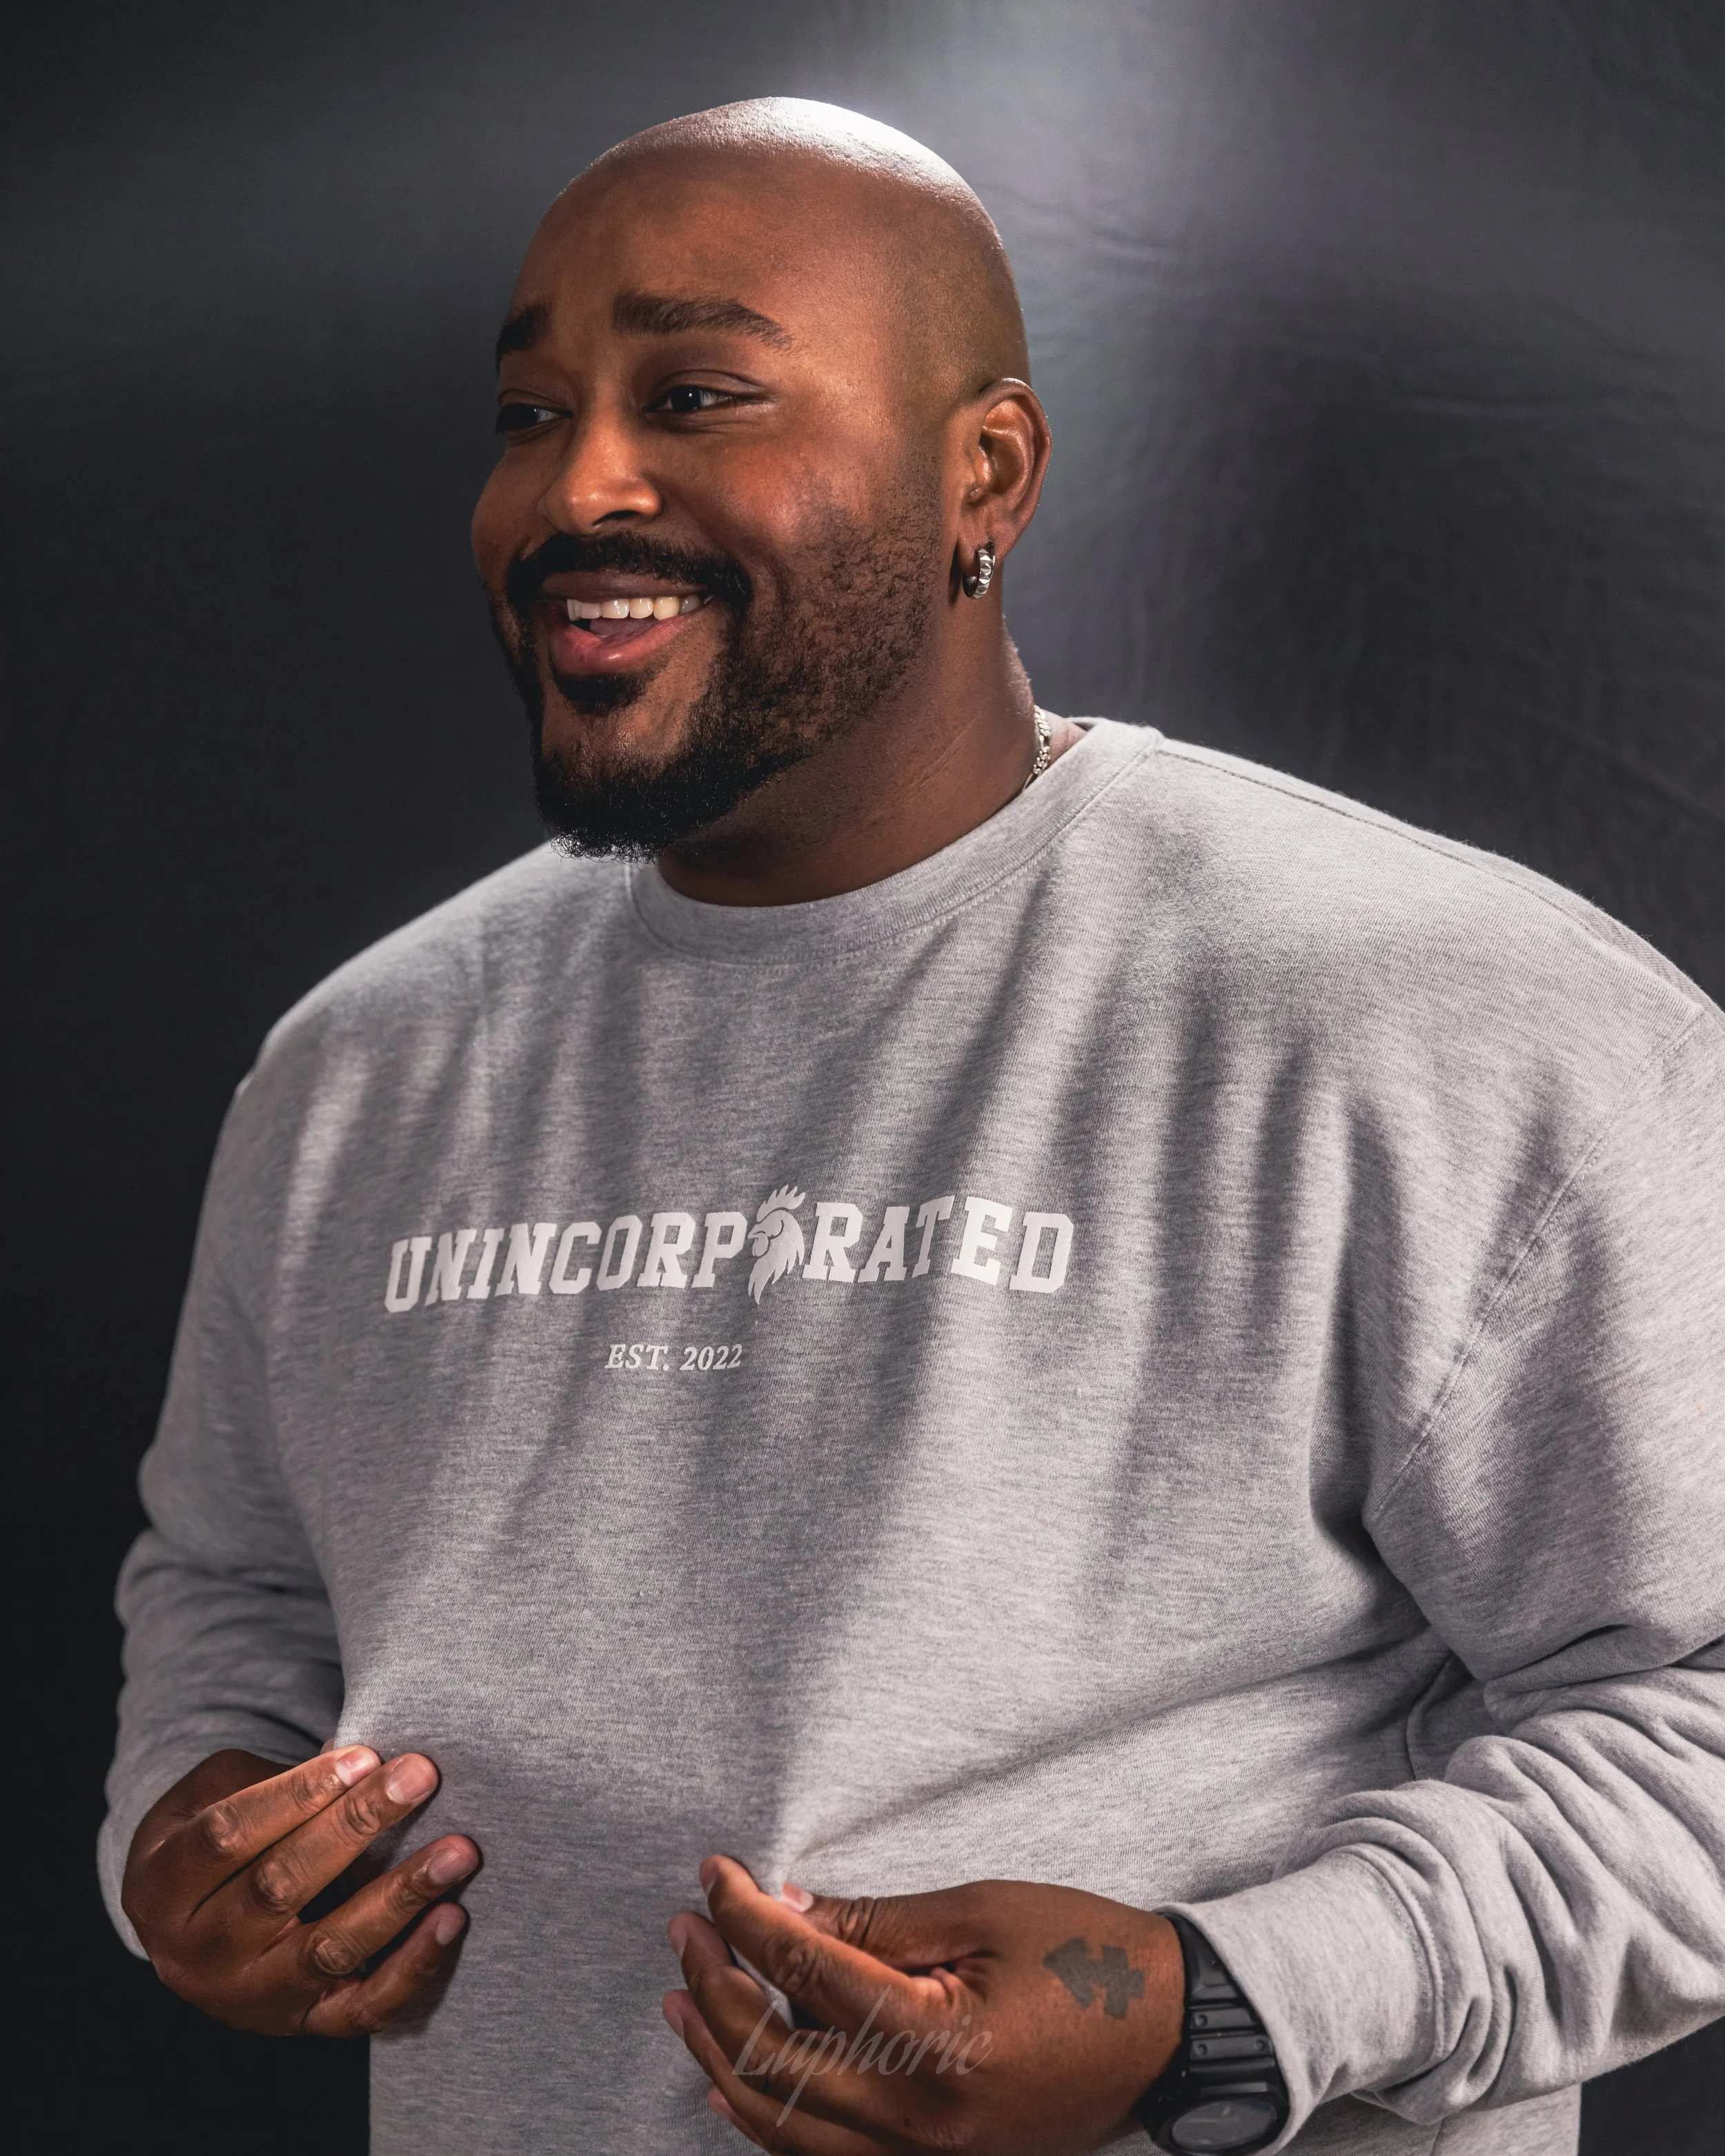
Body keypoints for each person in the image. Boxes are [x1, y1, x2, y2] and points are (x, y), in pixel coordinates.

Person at [103, 98, 1724, 2156]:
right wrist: (177, 1841)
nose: (577, 483)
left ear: (987, 473)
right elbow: (232, 1590)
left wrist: (1212, 2007)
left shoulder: (1436, 1010)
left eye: (697, 394)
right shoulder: (361, 1065)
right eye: (530, 409)